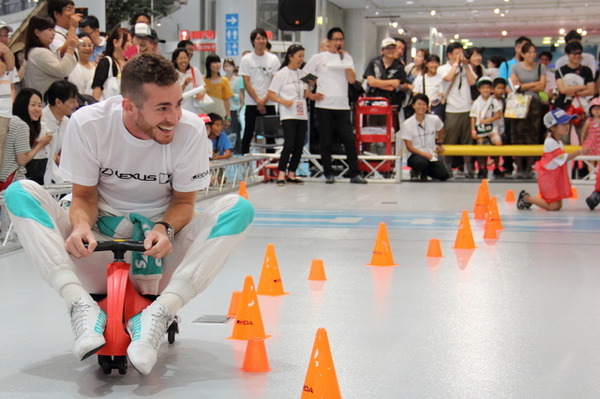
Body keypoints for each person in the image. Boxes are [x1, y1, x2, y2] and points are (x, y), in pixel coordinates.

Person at [3, 53, 254, 375]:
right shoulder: (89, 123)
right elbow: (83, 196)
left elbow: (183, 203)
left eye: (178, 104)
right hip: (96, 244)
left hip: (160, 248)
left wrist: (164, 228)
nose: (175, 116)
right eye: (162, 108)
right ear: (129, 106)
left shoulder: (190, 130)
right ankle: (78, 303)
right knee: (19, 192)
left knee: (239, 209)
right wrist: (80, 227)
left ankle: (160, 312)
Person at [303, 27, 367, 184]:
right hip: (324, 105)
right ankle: (328, 172)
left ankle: (354, 173)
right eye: (336, 39)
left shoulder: (346, 58)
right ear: (329, 41)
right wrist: (310, 93)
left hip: (342, 105)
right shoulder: (319, 58)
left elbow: (351, 80)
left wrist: (345, 62)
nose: (339, 42)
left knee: (348, 139)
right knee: (325, 140)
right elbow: (304, 76)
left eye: (341, 39)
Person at [267, 44, 320, 186]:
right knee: (289, 143)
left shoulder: (302, 74)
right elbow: (271, 94)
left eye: (303, 56)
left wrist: (311, 90)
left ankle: (292, 173)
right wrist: (283, 101)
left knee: (299, 144)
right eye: (299, 56)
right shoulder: (281, 74)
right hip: (288, 114)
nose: (301, 59)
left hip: (301, 113)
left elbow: (305, 94)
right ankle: (281, 173)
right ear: (290, 56)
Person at [517, 109, 588, 211]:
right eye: (563, 124)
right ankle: (526, 198)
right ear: (553, 127)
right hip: (549, 177)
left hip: (555, 176)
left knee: (558, 205)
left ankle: (527, 198)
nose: (567, 126)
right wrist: (579, 152)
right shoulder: (550, 142)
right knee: (553, 206)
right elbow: (564, 158)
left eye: (567, 124)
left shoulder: (558, 141)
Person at [0, 88, 52, 190]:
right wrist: (40, 145)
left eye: (39, 105)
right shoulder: (21, 125)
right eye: (33, 105)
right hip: (11, 182)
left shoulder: (11, 120)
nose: (37, 109)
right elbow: (22, 160)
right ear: (23, 105)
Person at [239, 28, 280, 154]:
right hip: (252, 102)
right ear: (253, 41)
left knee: (270, 136)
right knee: (248, 133)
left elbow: (275, 81)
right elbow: (246, 82)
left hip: (269, 102)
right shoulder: (246, 59)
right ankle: (244, 163)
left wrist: (264, 100)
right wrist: (258, 101)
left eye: (263, 38)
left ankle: (271, 167)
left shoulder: (273, 59)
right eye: (258, 38)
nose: (261, 41)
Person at [510, 42, 546, 179]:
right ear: (523, 54)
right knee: (518, 135)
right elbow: (516, 86)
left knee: (533, 134)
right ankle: (519, 167)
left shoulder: (540, 67)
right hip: (518, 103)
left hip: (535, 103)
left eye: (533, 52)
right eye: (529, 52)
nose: (532, 55)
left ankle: (529, 167)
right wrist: (533, 84)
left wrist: (525, 86)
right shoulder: (515, 67)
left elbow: (542, 86)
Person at [438, 42, 472, 178]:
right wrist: (456, 64)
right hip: (452, 109)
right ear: (449, 55)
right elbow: (448, 78)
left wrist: (466, 65)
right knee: (450, 140)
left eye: (461, 53)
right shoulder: (443, 68)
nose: (460, 56)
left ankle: (468, 168)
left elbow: (473, 82)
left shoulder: (466, 67)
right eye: (457, 53)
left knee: (467, 141)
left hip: (468, 109)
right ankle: (447, 167)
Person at [22, 15, 78, 97]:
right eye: (49, 30)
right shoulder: (39, 52)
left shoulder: (37, 51)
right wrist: (71, 48)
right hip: (46, 101)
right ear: (37, 32)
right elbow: (62, 71)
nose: (53, 33)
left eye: (54, 30)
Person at [39, 80, 79, 184]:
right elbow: (48, 157)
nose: (76, 104)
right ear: (58, 102)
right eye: (72, 101)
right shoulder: (41, 121)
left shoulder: (67, 121)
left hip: (59, 173)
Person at [402, 93, 449, 182]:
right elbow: (409, 147)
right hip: (415, 155)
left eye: (424, 104)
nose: (421, 107)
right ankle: (416, 170)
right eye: (419, 104)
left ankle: (425, 171)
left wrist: (439, 142)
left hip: (431, 154)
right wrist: (423, 154)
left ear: (427, 107)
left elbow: (441, 128)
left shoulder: (434, 119)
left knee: (443, 175)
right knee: (421, 162)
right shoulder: (407, 123)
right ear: (413, 106)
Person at [363, 38, 408, 128]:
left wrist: (378, 83)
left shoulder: (399, 66)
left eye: (392, 48)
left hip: (390, 104)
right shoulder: (373, 63)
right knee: (372, 131)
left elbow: (394, 86)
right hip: (373, 103)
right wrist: (390, 82)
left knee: (389, 132)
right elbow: (371, 82)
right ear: (382, 50)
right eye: (387, 48)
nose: (390, 51)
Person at [469, 76, 502, 179]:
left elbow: (498, 115)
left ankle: (496, 167)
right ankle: (481, 168)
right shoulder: (476, 103)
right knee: (480, 148)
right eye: (483, 88)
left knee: (498, 144)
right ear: (479, 90)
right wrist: (473, 130)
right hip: (480, 129)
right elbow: (473, 118)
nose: (485, 90)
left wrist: (487, 121)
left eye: (488, 87)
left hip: (492, 128)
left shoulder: (494, 101)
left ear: (491, 89)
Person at [91, 27, 132, 101]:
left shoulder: (130, 63)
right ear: (115, 42)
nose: (130, 44)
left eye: (131, 41)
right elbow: (97, 87)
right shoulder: (106, 62)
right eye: (127, 41)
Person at [0, 20, 17, 171]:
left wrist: (5, 52)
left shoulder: (6, 56)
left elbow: (10, 68)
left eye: (6, 35)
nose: (4, 39)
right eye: (0, 35)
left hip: (4, 111)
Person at [172, 47, 204, 114]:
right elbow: (173, 92)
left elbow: (203, 87)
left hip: (195, 109)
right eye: (180, 58)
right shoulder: (172, 73)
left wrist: (201, 94)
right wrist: (185, 84)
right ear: (175, 60)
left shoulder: (194, 71)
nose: (183, 60)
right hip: (180, 110)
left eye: (185, 58)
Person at [412, 54, 444, 119]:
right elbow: (415, 95)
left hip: (435, 110)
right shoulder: (420, 79)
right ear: (426, 64)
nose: (434, 65)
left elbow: (441, 96)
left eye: (436, 63)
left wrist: (432, 104)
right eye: (432, 63)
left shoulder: (441, 79)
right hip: (421, 110)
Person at [203, 54, 233, 123]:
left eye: (218, 62)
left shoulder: (224, 80)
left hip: (219, 114)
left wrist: (228, 117)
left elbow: (226, 100)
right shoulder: (203, 80)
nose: (217, 65)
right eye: (214, 62)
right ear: (209, 65)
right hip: (206, 113)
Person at [223, 58, 244, 153]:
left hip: (234, 109)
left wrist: (231, 94)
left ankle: (235, 151)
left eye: (230, 66)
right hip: (223, 110)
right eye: (226, 66)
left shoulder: (238, 80)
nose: (228, 68)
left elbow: (240, 95)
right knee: (224, 131)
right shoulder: (222, 80)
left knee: (234, 132)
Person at [580, 97, 600, 179]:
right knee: (591, 159)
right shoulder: (589, 121)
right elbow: (584, 133)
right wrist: (582, 143)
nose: (596, 111)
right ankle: (592, 174)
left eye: (598, 109)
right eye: (594, 109)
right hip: (591, 142)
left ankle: (598, 173)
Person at [492, 77, 507, 177]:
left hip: (502, 127)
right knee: (496, 145)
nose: (501, 91)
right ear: (493, 89)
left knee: (499, 149)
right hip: (492, 128)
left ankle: (496, 167)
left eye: (503, 88)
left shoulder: (504, 101)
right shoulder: (490, 101)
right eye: (498, 88)